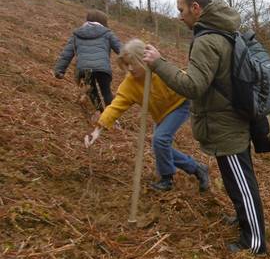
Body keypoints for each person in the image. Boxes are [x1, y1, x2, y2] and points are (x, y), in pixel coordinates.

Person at [141, 0, 267, 255]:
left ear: (195, 8)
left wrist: (159, 64)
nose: (179, 16)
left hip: (227, 124)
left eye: (181, 10)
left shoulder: (207, 40)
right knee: (236, 181)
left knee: (242, 184)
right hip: (228, 120)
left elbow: (194, 86)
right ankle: (244, 221)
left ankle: (255, 242)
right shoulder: (222, 32)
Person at [83, 39, 210, 192]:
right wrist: (98, 129)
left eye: (132, 63)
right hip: (161, 114)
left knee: (160, 139)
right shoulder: (129, 84)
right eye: (126, 64)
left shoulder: (160, 70)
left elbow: (184, 79)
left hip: (180, 105)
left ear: (142, 59)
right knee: (159, 146)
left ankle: (166, 178)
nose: (129, 68)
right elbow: (116, 107)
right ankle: (197, 168)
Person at [54, 9, 122, 113]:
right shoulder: (107, 33)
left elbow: (66, 54)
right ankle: (113, 118)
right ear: (103, 21)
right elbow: (121, 49)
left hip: (84, 69)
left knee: (92, 92)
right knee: (106, 92)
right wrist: (134, 61)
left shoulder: (77, 34)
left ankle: (100, 113)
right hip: (102, 68)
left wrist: (60, 70)